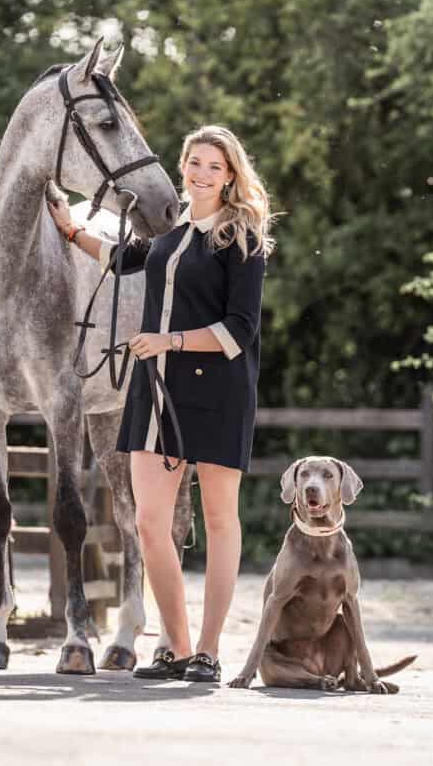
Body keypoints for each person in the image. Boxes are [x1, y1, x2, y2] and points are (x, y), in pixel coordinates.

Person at [47, 125, 275, 683]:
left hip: (219, 390)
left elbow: (240, 330)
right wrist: (73, 231)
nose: (201, 173)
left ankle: (209, 651)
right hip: (156, 390)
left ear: (230, 177)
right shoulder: (173, 233)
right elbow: (128, 258)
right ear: (183, 167)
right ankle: (175, 645)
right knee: (150, 523)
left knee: (221, 520)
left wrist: (169, 341)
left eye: (214, 167)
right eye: (194, 162)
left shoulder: (242, 237)